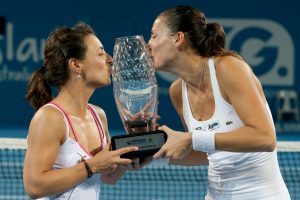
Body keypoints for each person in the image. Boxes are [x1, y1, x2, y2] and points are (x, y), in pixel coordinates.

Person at [148, 6, 291, 200]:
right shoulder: (177, 92)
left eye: (154, 36)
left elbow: (265, 138)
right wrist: (155, 153)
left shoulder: (229, 68)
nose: (149, 44)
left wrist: (192, 139)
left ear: (178, 38)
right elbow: (206, 153)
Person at [23, 23, 139, 200]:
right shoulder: (49, 118)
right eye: (100, 53)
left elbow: (108, 176)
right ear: (76, 65)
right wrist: (91, 166)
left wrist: (133, 149)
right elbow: (34, 186)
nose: (110, 59)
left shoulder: (99, 116)